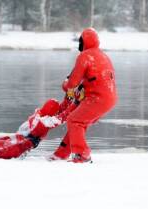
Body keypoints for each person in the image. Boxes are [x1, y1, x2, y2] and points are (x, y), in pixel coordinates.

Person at [50, 28, 118, 163]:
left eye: (80, 42)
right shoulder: (103, 55)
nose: (79, 45)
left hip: (97, 98)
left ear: (84, 42)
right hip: (109, 98)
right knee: (79, 123)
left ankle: (82, 155)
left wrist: (65, 84)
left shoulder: (85, 56)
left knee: (74, 121)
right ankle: (61, 154)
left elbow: (72, 84)